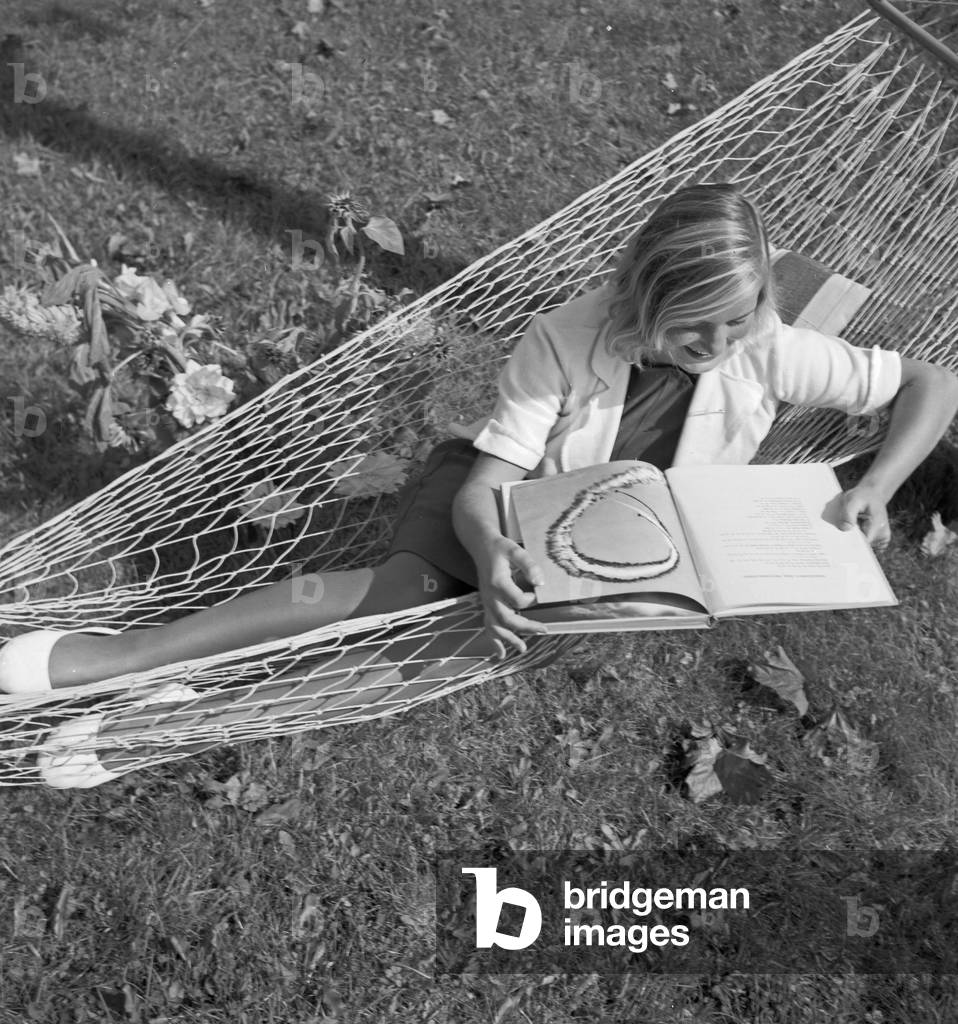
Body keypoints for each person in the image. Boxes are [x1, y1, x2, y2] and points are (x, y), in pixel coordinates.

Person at [2, 183, 957, 783]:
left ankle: (174, 718)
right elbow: (488, 482)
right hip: (495, 498)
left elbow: (932, 382)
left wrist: (876, 483)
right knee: (397, 596)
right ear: (644, 296)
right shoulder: (565, 339)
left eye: (737, 325)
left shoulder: (769, 349)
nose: (717, 349)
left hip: (611, 549)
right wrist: (492, 548)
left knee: (449, 650)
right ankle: (120, 659)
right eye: (693, 329)